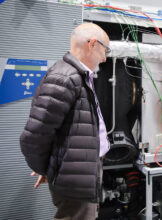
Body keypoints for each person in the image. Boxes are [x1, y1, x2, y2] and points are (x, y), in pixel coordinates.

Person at [20, 22, 111, 220]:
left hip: (81, 171)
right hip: (74, 178)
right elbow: (33, 137)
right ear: (92, 44)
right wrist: (48, 168)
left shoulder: (79, 76)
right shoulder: (65, 78)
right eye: (105, 50)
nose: (104, 58)